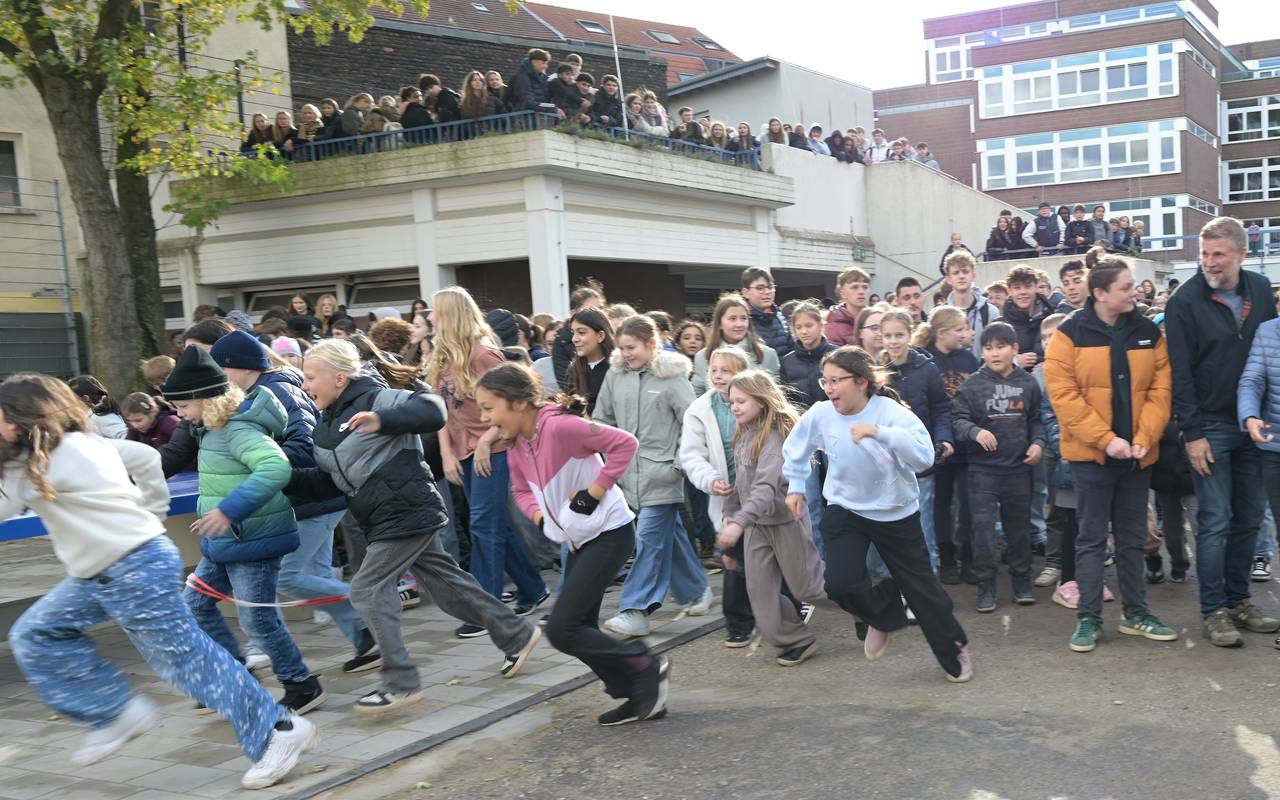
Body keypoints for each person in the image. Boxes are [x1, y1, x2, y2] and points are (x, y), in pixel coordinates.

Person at [1, 374, 317, 788]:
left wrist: (152, 512)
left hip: (133, 568)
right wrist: (152, 510)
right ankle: (115, 711)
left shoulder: (57, 455)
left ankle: (278, 732)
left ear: (26, 418)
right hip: (108, 571)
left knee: (191, 664)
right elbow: (144, 459)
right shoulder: (59, 450)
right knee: (37, 633)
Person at [288, 340, 542, 712]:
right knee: (448, 589)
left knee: (366, 589)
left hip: (405, 511)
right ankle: (517, 634)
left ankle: (401, 681)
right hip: (383, 517)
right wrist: (281, 479)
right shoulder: (325, 424)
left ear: (339, 378)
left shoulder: (376, 397)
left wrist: (383, 420)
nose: (305, 385)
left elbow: (433, 410)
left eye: (310, 377)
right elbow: (333, 482)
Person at [478, 363, 668, 725]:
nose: (485, 417)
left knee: (563, 629)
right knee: (581, 628)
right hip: (579, 540)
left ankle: (645, 664)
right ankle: (635, 690)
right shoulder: (518, 443)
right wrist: (540, 518)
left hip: (610, 533)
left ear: (519, 403)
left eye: (489, 407)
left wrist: (595, 492)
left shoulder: (561, 427)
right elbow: (520, 490)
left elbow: (625, 444)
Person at [782, 346, 972, 682]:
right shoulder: (821, 414)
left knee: (922, 591)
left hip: (896, 512)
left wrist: (880, 433)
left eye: (836, 381)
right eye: (825, 381)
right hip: (845, 508)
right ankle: (883, 615)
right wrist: (796, 486)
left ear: (861, 381)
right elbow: (796, 447)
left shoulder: (891, 413)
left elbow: (924, 457)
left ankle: (953, 646)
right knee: (839, 584)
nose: (828, 388)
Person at [162, 346, 325, 716]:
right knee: (196, 605)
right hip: (225, 540)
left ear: (203, 399)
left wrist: (227, 510)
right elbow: (225, 479)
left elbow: (275, 468)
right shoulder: (210, 429)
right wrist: (212, 513)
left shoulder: (236, 429)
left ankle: (301, 684)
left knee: (257, 619)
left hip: (255, 540)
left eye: (182, 406)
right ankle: (238, 681)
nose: (178, 414)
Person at [209, 330, 380, 673]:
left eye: (220, 370)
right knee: (313, 573)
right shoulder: (263, 389)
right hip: (313, 497)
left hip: (313, 498)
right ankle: (367, 640)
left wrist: (256, 465)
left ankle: (368, 611)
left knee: (287, 575)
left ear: (239, 366)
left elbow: (303, 447)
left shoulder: (275, 391)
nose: (217, 379)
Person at [1044, 257, 1178, 651]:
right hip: (1092, 458)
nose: (1134, 292)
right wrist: (1106, 440)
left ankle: (1136, 614)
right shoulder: (1068, 335)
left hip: (1137, 456)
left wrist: (1144, 436)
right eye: (1125, 287)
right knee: (1089, 539)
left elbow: (1161, 390)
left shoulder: (1148, 333)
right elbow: (1064, 398)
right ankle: (1089, 619)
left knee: (1133, 538)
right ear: (1100, 293)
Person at [1167, 217, 1279, 647]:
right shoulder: (1184, 301)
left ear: (1241, 253)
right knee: (1214, 520)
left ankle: (1239, 601)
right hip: (1209, 425)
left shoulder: (1261, 290)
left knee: (1249, 518)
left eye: (1219, 254)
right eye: (1204, 254)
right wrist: (1191, 432)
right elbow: (1181, 373)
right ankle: (1213, 610)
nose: (1209, 263)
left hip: (1256, 424)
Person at [428, 288, 549, 633]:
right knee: (494, 525)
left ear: (451, 315)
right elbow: (442, 412)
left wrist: (485, 440)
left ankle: (486, 610)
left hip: (493, 450)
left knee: (483, 525)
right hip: (463, 452)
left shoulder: (483, 354)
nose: (430, 319)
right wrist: (448, 453)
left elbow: (519, 399)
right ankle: (532, 588)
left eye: (435, 312)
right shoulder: (441, 357)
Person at [596, 315, 712, 637]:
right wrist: (608, 462)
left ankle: (635, 608)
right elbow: (601, 419)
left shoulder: (673, 378)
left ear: (651, 344)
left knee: (647, 538)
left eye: (631, 347)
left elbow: (694, 425)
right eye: (621, 348)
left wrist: (677, 466)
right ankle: (696, 589)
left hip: (662, 477)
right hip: (625, 476)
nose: (626, 354)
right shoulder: (615, 375)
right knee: (666, 536)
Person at [718, 370, 835, 666]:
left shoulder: (776, 437)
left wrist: (739, 524)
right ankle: (797, 639)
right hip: (757, 526)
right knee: (760, 593)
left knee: (808, 588)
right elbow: (740, 485)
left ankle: (870, 607)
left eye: (741, 401)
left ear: (761, 400)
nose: (735, 407)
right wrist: (730, 519)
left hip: (786, 522)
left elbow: (766, 488)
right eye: (731, 401)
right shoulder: (743, 435)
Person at [952, 323, 1044, 612]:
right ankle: (986, 587)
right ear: (981, 351)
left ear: (1015, 349)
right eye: (988, 347)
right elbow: (957, 420)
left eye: (1001, 346)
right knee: (984, 533)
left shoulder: (1028, 383)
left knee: (1019, 532)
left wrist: (1038, 443)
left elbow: (1037, 419)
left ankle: (1021, 582)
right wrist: (974, 432)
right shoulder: (971, 385)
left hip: (1018, 470)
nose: (994, 353)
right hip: (983, 472)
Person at [681, 347, 760, 645]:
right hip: (726, 494)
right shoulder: (699, 410)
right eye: (714, 369)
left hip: (760, 488)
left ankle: (783, 608)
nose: (718, 375)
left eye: (726, 370)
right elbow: (691, 455)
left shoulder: (758, 401)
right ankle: (739, 622)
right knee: (732, 555)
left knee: (765, 551)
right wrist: (709, 480)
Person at [878, 311, 952, 572]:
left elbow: (942, 408)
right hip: (886, 463)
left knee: (923, 525)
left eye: (899, 335)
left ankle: (928, 582)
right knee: (890, 528)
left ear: (910, 335)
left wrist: (944, 438)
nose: (894, 341)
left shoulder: (927, 369)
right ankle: (895, 585)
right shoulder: (875, 371)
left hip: (920, 460)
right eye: (888, 335)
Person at [917, 307, 980, 583]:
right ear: (942, 333)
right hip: (939, 444)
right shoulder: (924, 360)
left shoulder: (968, 358)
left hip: (967, 445)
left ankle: (968, 558)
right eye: (960, 329)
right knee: (940, 504)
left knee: (967, 503)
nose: (966, 334)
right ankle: (947, 558)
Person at [692, 294, 781, 394]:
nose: (739, 324)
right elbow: (697, 395)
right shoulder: (703, 357)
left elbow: (774, 395)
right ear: (720, 323)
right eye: (733, 318)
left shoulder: (767, 354)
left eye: (743, 318)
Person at [553, 279, 605, 389]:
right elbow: (566, 385)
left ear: (601, 336)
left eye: (601, 309)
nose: (597, 314)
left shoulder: (612, 343)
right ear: (573, 313)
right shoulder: (562, 341)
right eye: (589, 310)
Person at [999, 264, 1054, 368]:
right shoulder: (1000, 325)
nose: (1023, 292)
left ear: (1036, 286)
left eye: (1028, 286)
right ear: (1009, 291)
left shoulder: (1052, 317)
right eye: (1017, 288)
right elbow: (989, 362)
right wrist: (1014, 362)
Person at [942, 251, 992, 357]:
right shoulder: (938, 315)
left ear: (973, 276)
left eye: (965, 272)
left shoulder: (990, 311)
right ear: (948, 279)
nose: (961, 276)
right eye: (956, 272)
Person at [565, 307, 614, 414]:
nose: (574, 339)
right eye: (573, 332)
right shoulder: (573, 370)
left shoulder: (616, 369)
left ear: (600, 336)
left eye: (581, 332)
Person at [741, 267, 794, 358]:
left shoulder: (780, 317)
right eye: (760, 288)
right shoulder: (742, 321)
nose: (767, 292)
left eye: (770, 287)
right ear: (745, 292)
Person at [826, 267, 870, 346]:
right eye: (855, 287)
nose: (861, 292)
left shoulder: (874, 318)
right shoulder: (833, 328)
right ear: (843, 293)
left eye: (865, 287)